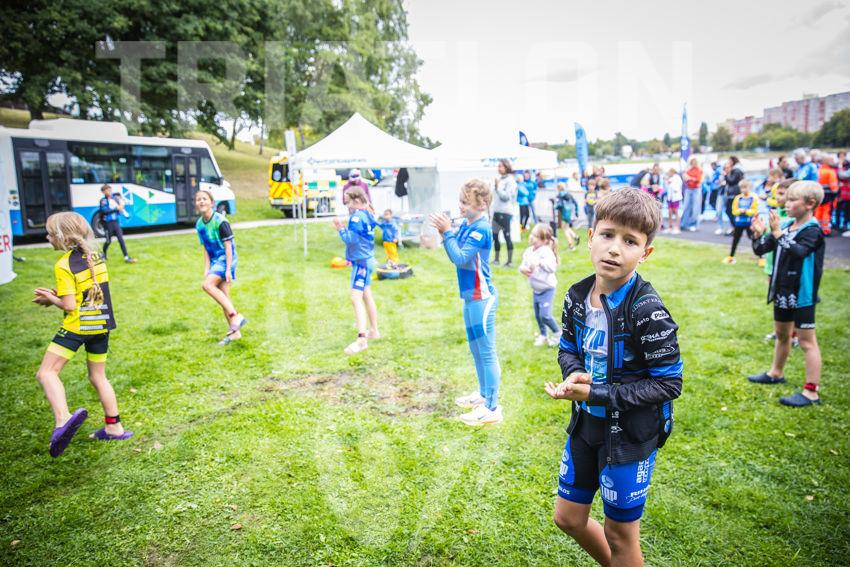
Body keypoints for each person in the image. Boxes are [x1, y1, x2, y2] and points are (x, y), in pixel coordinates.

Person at [546, 188, 682, 567]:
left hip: (630, 436)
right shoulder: (576, 295)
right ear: (591, 237)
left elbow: (669, 384)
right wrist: (574, 372)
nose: (614, 249)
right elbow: (568, 348)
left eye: (630, 241)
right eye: (607, 235)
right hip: (586, 426)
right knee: (568, 517)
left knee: (620, 535)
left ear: (645, 253)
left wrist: (598, 394)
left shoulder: (648, 310)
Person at [32, 212, 133, 458]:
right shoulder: (96, 256)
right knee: (98, 376)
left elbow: (69, 305)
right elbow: (88, 290)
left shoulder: (63, 264)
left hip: (78, 327)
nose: (47, 238)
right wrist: (58, 295)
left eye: (49, 234)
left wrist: (51, 299)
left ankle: (63, 419)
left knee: (46, 373)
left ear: (62, 236)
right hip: (101, 325)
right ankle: (114, 427)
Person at [429, 180, 503, 426]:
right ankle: (483, 395)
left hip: (482, 298)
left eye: (465, 202)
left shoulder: (481, 229)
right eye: (460, 201)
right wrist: (446, 233)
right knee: (476, 350)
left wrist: (446, 232)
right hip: (471, 298)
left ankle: (492, 407)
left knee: (487, 352)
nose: (460, 206)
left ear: (481, 204)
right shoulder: (467, 225)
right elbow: (454, 251)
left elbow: (460, 258)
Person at [748, 181, 825, 407]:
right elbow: (761, 249)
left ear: (810, 203)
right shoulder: (786, 225)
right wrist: (758, 234)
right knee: (782, 335)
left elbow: (799, 252)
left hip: (803, 295)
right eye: (787, 199)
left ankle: (811, 391)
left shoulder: (813, 231)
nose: (786, 204)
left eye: (792, 200)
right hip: (783, 292)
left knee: (807, 342)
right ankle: (776, 373)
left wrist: (777, 233)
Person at [195, 190, 246, 346]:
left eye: (204, 199)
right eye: (198, 199)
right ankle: (235, 333)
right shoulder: (199, 225)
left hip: (226, 259)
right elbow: (206, 247)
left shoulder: (221, 221)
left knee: (207, 285)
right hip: (215, 261)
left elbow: (228, 247)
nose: (201, 201)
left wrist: (228, 269)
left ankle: (235, 316)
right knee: (224, 298)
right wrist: (206, 268)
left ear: (212, 203)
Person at [333, 188, 379, 355]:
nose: (347, 206)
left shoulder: (356, 217)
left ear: (356, 201)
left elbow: (350, 240)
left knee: (355, 298)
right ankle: (374, 331)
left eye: (347, 202)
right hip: (367, 260)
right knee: (366, 295)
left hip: (361, 263)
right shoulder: (367, 214)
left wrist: (340, 228)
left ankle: (361, 340)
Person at [519, 223, 562, 347]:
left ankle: (558, 333)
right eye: (532, 234)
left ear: (545, 241)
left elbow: (552, 268)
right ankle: (543, 335)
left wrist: (540, 262)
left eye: (536, 236)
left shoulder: (546, 252)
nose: (532, 237)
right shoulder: (528, 251)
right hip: (536, 290)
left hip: (547, 289)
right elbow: (523, 265)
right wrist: (522, 269)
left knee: (545, 315)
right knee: (538, 316)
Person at [99, 184, 137, 263]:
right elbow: (104, 211)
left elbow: (121, 206)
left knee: (121, 240)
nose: (109, 192)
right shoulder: (103, 201)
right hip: (107, 224)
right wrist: (116, 209)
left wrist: (121, 207)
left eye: (110, 190)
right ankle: (103, 255)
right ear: (103, 192)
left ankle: (126, 257)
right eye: (107, 190)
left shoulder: (115, 198)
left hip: (115, 222)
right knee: (108, 241)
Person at [723, 180, 758, 264]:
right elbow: (734, 210)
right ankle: (731, 257)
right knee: (735, 239)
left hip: (749, 223)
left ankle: (760, 257)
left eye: (745, 187)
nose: (744, 189)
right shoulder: (738, 198)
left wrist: (746, 211)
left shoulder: (753, 198)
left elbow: (755, 211)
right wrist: (739, 211)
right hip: (739, 223)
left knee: (753, 238)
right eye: (742, 188)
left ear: (750, 188)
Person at [492, 159, 517, 266]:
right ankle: (496, 260)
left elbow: (506, 197)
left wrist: (497, 188)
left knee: (507, 237)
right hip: (496, 212)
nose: (498, 168)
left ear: (506, 167)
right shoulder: (499, 179)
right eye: (498, 166)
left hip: (505, 213)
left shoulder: (510, 181)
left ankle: (509, 261)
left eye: (500, 166)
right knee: (495, 236)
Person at [718, 156, 744, 236]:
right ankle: (735, 228)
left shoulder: (736, 170)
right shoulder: (737, 170)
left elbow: (731, 181)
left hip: (734, 194)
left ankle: (736, 229)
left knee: (731, 211)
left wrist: (726, 175)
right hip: (731, 194)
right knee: (730, 211)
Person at [816, 156, 838, 235]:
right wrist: (835, 194)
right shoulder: (830, 171)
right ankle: (826, 230)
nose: (833, 162)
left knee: (818, 212)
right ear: (826, 161)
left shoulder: (818, 170)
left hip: (819, 194)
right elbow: (833, 186)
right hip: (828, 196)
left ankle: (818, 228)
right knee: (827, 212)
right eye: (831, 160)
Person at [554, 183, 580, 250]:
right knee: (567, 227)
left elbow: (558, 205)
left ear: (558, 188)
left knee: (565, 229)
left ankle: (571, 245)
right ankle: (575, 236)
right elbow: (576, 203)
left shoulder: (559, 195)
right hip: (570, 213)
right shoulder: (569, 194)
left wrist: (554, 205)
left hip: (564, 214)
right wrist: (576, 212)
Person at [681, 158, 703, 231]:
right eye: (692, 162)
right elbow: (685, 178)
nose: (693, 163)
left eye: (695, 162)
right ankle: (684, 224)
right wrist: (691, 178)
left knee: (696, 208)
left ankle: (694, 224)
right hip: (688, 189)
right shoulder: (688, 170)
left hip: (696, 189)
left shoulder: (699, 170)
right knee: (686, 207)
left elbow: (698, 180)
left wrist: (690, 178)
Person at [664, 169, 683, 234]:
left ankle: (677, 227)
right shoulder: (671, 178)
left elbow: (676, 188)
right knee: (670, 212)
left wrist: (670, 183)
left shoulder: (677, 178)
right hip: (670, 198)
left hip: (675, 198)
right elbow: (667, 187)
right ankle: (670, 227)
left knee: (675, 212)